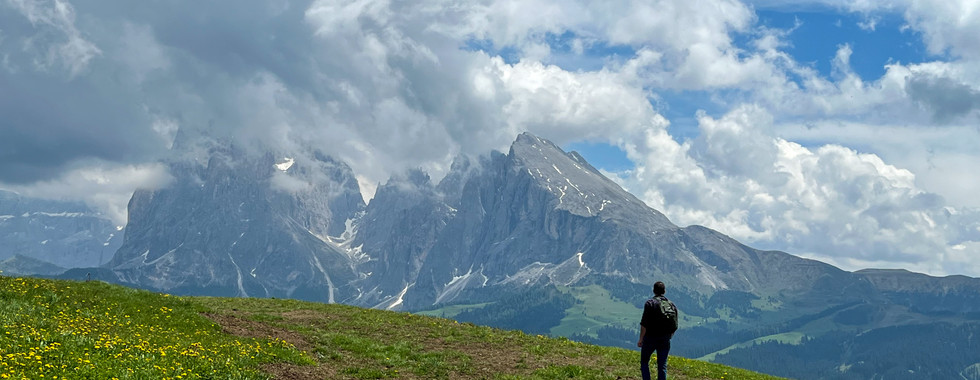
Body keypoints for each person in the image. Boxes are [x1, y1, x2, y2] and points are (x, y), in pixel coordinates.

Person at [638, 281, 676, 380]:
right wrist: (669, 336)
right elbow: (675, 324)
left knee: (644, 362)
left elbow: (644, 324)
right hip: (665, 339)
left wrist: (641, 339)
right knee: (662, 365)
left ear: (654, 290)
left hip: (650, 337)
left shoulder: (650, 303)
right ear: (664, 291)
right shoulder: (671, 304)